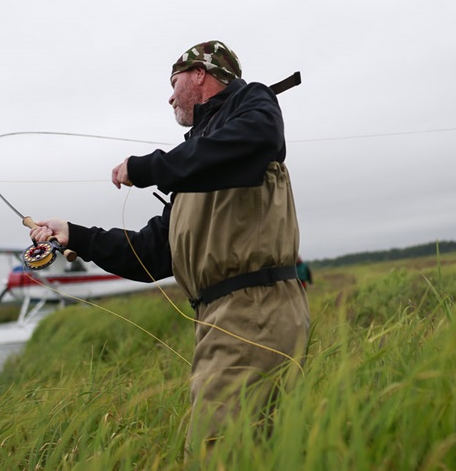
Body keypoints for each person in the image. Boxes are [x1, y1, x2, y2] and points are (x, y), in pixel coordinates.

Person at [29, 40, 309, 451]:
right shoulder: (197, 162)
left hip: (254, 310)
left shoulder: (251, 103)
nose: (169, 96)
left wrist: (145, 167)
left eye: (174, 82)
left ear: (200, 74)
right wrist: (76, 235)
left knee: (217, 451)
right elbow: (152, 255)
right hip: (223, 317)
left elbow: (260, 137)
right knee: (265, 450)